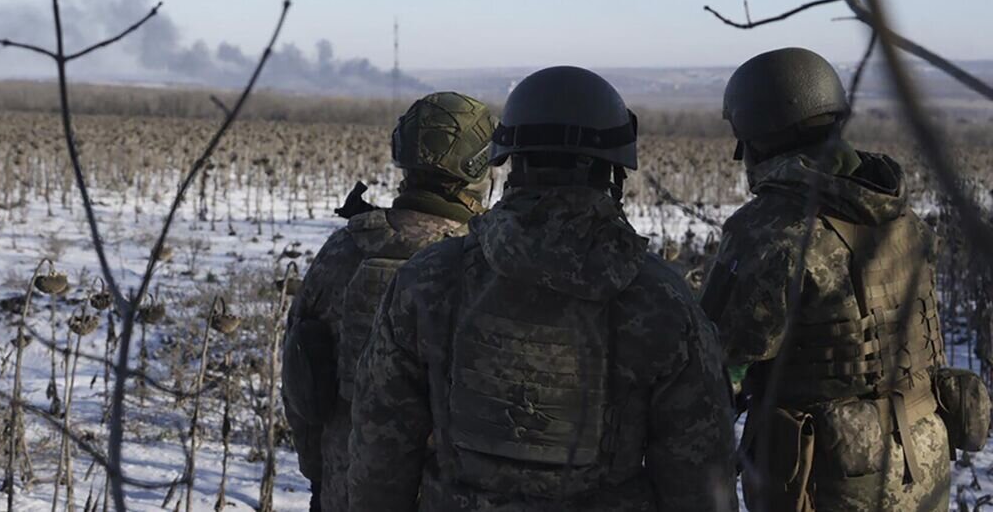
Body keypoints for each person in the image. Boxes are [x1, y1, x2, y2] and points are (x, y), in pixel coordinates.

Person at [349, 66, 738, 512]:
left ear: (509, 158)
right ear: (613, 170)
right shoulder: (662, 302)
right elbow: (700, 478)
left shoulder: (427, 281)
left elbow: (380, 452)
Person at [700, 47, 958, 511]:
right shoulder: (903, 217)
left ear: (757, 138)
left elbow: (718, 360)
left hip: (830, 475)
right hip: (926, 456)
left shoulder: (770, 230)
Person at [281, 91, 495, 512]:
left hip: (345, 490)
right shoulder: (486, 265)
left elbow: (300, 381)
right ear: (479, 168)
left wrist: (323, 477)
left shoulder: (344, 250)